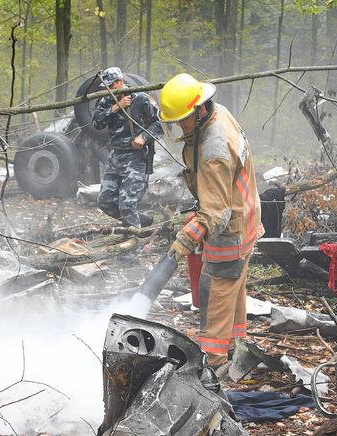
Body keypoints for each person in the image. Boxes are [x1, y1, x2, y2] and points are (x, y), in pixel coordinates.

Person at [159, 73, 263, 368]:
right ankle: (238, 350)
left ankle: (212, 363)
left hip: (231, 229)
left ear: (199, 109)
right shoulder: (220, 114)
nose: (179, 125)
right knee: (233, 289)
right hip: (246, 219)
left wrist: (184, 240)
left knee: (214, 291)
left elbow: (216, 211)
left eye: (182, 119)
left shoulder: (214, 149)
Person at [92, 67, 163, 228]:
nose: (109, 90)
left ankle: (133, 248)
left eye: (112, 86)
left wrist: (143, 137)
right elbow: (96, 123)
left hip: (137, 157)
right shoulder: (106, 101)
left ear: (121, 82)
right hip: (116, 156)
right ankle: (139, 221)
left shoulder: (141, 98)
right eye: (107, 87)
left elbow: (159, 124)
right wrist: (116, 107)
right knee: (105, 202)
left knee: (126, 206)